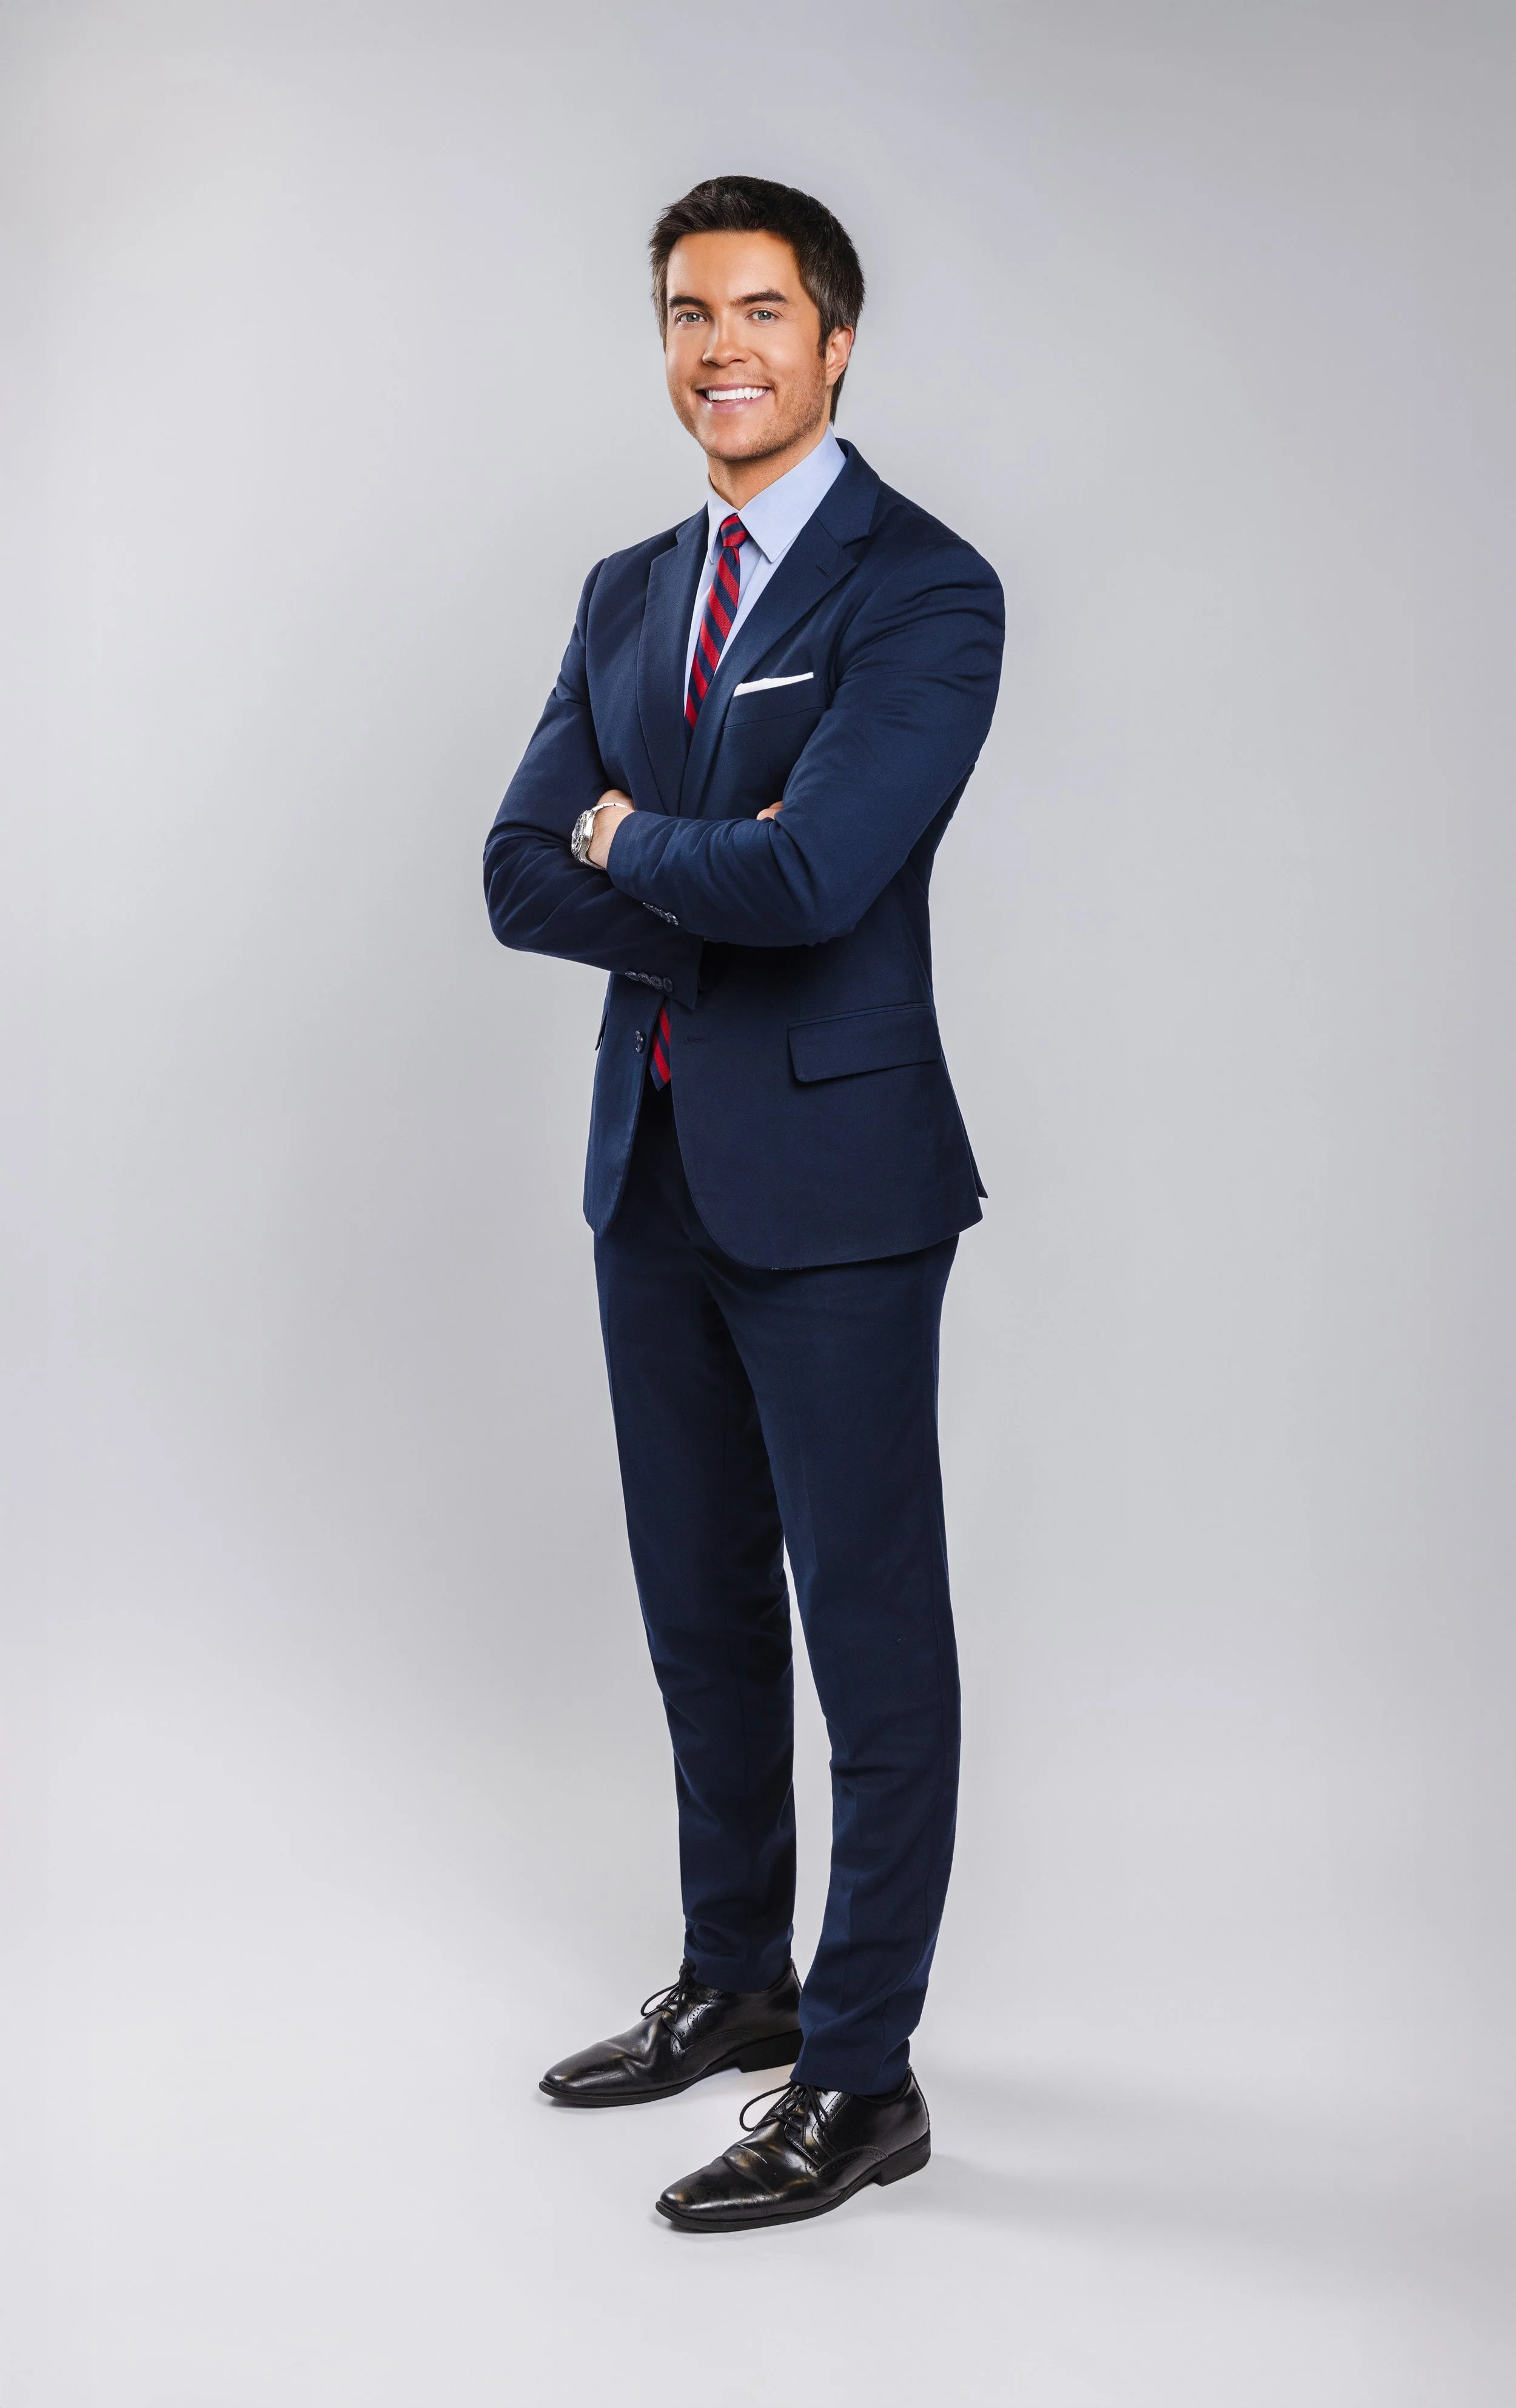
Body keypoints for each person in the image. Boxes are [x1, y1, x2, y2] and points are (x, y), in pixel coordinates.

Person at [483, 174, 1004, 2230]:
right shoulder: (627, 587)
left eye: (760, 312)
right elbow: (520, 871)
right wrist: (675, 848)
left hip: (846, 1187)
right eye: (688, 315)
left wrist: (638, 838)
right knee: (700, 1613)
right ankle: (738, 1979)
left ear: (837, 337)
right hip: (655, 1167)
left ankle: (863, 2079)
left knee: (870, 1638)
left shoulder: (921, 587)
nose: (720, 349)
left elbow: (822, 876)